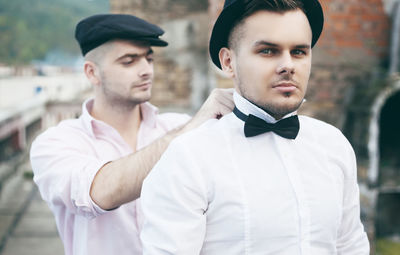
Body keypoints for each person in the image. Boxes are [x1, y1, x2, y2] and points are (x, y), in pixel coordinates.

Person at [140, 0, 370, 254]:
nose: (288, 65)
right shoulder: (189, 158)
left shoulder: (333, 145)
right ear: (228, 62)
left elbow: (350, 245)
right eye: (268, 51)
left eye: (299, 52)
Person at [29, 14, 234, 255]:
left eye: (149, 59)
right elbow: (100, 192)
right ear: (92, 73)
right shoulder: (55, 143)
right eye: (129, 61)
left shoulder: (177, 126)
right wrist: (188, 132)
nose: (146, 70)